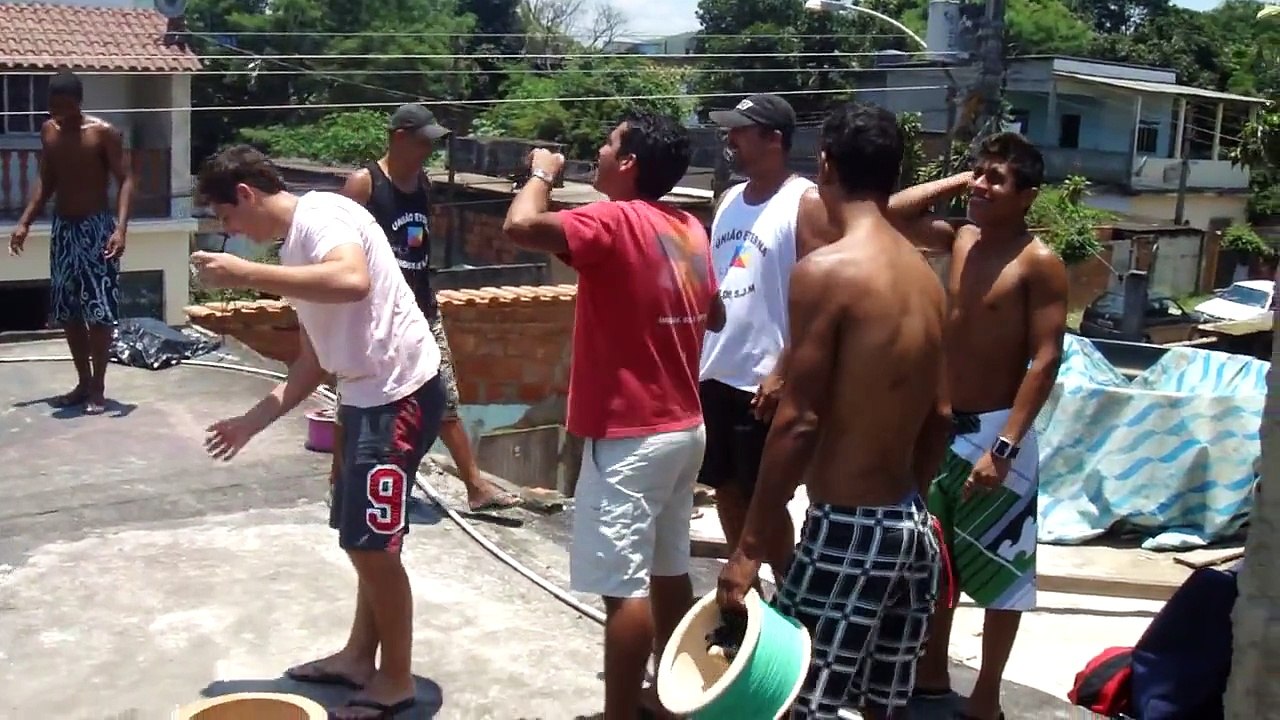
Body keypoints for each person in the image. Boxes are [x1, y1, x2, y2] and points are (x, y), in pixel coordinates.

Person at [191, 145, 445, 720]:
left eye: (227, 216)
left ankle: (396, 679)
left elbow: (352, 280)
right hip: (364, 395)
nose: (232, 232)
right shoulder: (297, 247)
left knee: (371, 543)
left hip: (398, 395)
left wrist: (245, 274)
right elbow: (312, 363)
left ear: (246, 195)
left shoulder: (322, 217)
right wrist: (249, 423)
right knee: (363, 538)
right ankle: (358, 657)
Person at [718, 101, 949, 720]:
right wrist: (910, 501)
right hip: (911, 527)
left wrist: (748, 548)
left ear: (826, 165)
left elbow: (799, 419)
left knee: (792, 698)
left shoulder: (827, 271)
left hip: (848, 526)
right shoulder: (925, 279)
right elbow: (941, 414)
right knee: (882, 705)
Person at [502, 111, 722, 720]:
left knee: (621, 589)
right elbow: (716, 313)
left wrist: (542, 174)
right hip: (683, 427)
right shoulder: (688, 228)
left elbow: (520, 225)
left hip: (630, 436)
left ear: (628, 163)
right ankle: (675, 699)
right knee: (669, 569)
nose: (597, 151)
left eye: (607, 144)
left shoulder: (614, 221)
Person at [891, 132, 1068, 720]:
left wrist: (1004, 447)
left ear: (1028, 195)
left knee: (1002, 573)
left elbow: (1046, 359)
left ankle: (987, 695)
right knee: (934, 561)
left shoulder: (1038, 262)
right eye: (979, 174)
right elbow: (891, 214)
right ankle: (932, 672)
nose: (982, 187)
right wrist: (959, 179)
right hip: (941, 428)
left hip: (996, 432)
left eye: (996, 179)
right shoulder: (960, 238)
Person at [337, 103, 519, 513]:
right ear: (400, 137)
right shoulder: (365, 184)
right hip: (376, 316)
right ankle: (341, 484)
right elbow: (340, 247)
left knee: (441, 396)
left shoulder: (421, 182)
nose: (428, 151)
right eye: (423, 142)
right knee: (357, 401)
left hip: (421, 308)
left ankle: (476, 487)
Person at [700, 93, 837, 579]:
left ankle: (789, 594)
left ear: (774, 139)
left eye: (741, 130)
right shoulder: (729, 199)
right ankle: (747, 597)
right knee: (727, 489)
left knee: (766, 500)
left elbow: (823, 299)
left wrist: (784, 371)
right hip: (717, 371)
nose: (730, 138)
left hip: (764, 382)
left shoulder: (806, 202)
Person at [7, 69, 133, 415]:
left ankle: (98, 387)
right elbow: (46, 181)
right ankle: (82, 382)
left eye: (64, 105)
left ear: (78, 103)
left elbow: (125, 180)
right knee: (68, 311)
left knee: (100, 312)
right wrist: (25, 222)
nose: (58, 112)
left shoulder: (103, 133)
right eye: (53, 105)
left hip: (97, 229)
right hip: (63, 230)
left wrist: (121, 229)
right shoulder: (49, 131)